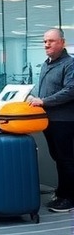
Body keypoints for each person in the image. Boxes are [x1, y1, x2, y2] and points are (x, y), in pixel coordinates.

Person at [28, 28, 74, 213]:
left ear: (62, 42)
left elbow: (70, 90)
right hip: (49, 120)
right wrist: (33, 97)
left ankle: (69, 198)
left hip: (64, 121)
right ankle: (62, 192)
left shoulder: (69, 64)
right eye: (45, 41)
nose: (47, 44)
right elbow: (42, 90)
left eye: (51, 41)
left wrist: (44, 101)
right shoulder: (46, 65)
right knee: (58, 158)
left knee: (66, 159)